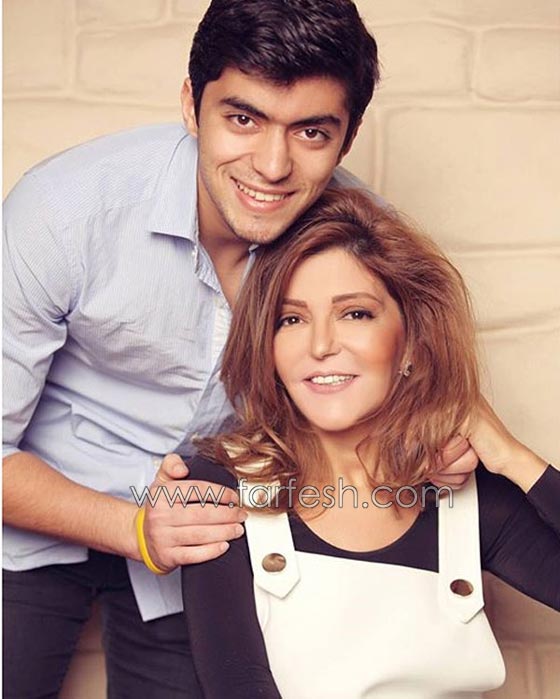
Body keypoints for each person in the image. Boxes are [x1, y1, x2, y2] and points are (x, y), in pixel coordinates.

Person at [3, 1, 477, 696]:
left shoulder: (359, 240)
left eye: (311, 131)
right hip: (33, 501)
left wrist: (429, 435)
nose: (273, 166)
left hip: (212, 527)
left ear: (347, 137)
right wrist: (135, 528)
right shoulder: (62, 212)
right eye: (244, 119)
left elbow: (398, 385)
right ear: (191, 106)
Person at [181, 188, 560, 698]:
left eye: (355, 313)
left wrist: (513, 457)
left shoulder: (469, 503)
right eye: (291, 319)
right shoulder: (217, 489)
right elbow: (236, 686)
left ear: (411, 341)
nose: (320, 346)